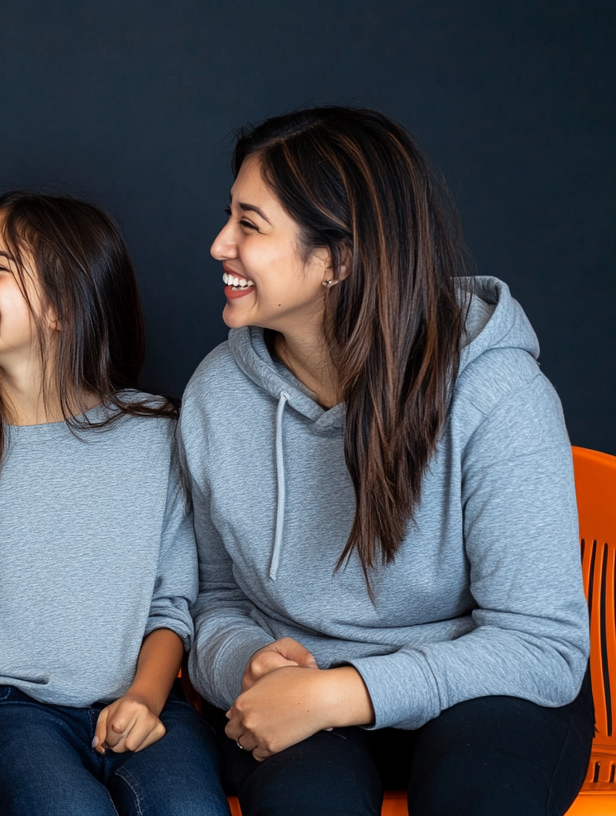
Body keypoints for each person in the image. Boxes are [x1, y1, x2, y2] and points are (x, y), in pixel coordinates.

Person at [183, 106, 594, 816]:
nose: (220, 244)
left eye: (250, 224)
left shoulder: (494, 390)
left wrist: (347, 692)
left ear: (339, 259)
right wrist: (244, 662)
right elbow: (216, 601)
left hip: (483, 693)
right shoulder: (217, 395)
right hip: (304, 694)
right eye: (229, 216)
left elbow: (542, 646)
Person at [0, 192, 229, 816]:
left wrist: (145, 699)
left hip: (139, 702)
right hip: (6, 709)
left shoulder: (156, 434)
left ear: (64, 306)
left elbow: (172, 602)